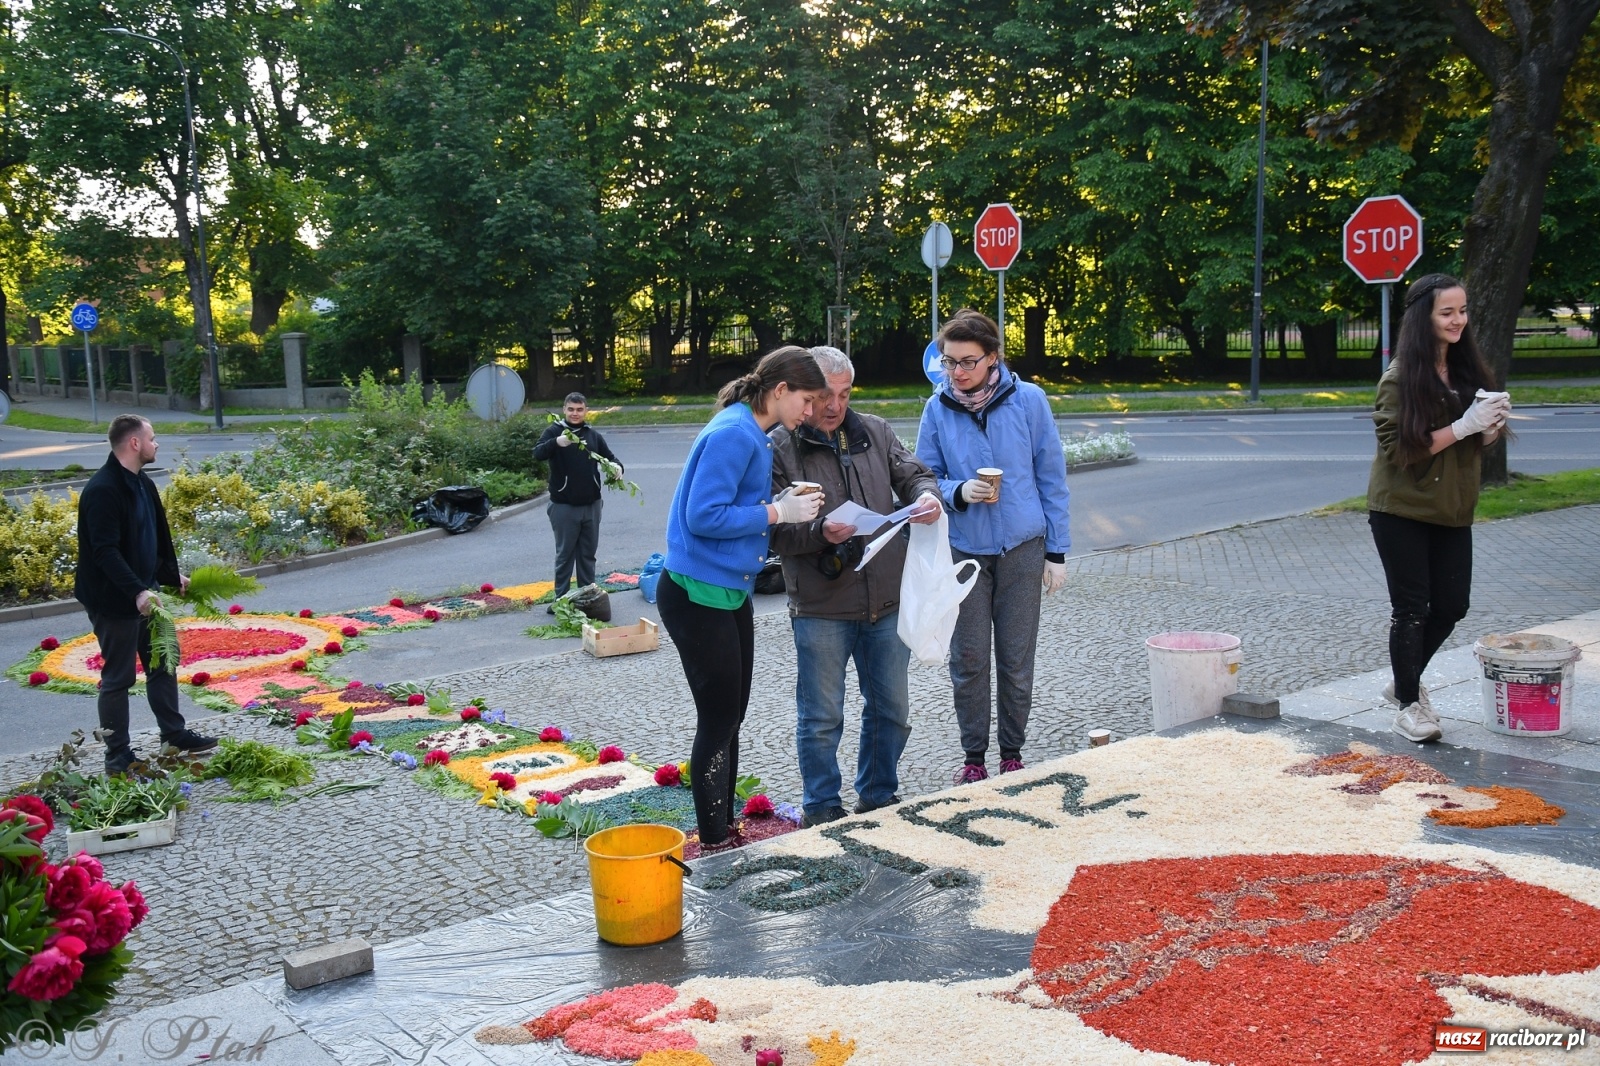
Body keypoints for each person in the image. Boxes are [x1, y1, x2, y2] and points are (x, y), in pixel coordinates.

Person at [658, 346, 828, 850]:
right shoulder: (735, 433)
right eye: (806, 400)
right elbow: (703, 516)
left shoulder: (752, 431)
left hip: (729, 591)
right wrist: (777, 513)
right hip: (697, 594)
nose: (810, 412)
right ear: (780, 390)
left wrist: (778, 505)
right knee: (718, 721)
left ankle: (724, 828)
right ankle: (714, 841)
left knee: (730, 717)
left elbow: (732, 505)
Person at [769, 346, 943, 828]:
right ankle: (822, 806)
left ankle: (879, 794)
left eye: (845, 394)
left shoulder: (875, 430)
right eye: (825, 395)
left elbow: (915, 475)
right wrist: (819, 532)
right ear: (806, 392)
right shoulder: (781, 446)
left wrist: (927, 497)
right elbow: (772, 532)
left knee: (893, 711)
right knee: (822, 717)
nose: (835, 406)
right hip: (821, 604)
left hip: (886, 598)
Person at [916, 309, 1070, 783]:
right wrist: (959, 491)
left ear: (993, 358)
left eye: (968, 361)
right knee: (968, 658)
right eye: (949, 362)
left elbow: (1051, 477)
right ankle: (974, 758)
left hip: (1023, 547)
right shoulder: (937, 409)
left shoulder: (1029, 400)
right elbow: (922, 479)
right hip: (965, 550)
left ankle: (1012, 752)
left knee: (1016, 657)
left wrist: (1056, 552)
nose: (957, 372)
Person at [1368, 273, 1510, 743]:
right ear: (1422, 318)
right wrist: (1466, 424)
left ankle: (1403, 681)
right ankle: (1409, 706)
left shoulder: (1466, 369)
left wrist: (1489, 426)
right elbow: (1400, 451)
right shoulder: (1400, 377)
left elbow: (1474, 445)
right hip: (1401, 509)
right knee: (1411, 609)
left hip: (1452, 508)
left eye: (1462, 310)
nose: (1457, 320)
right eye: (1446, 312)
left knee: (1451, 607)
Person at [75, 415, 217, 773]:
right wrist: (137, 591)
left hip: (145, 593)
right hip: (112, 600)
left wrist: (168, 576)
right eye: (152, 438)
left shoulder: (142, 482)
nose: (157, 444)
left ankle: (174, 736)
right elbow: (105, 552)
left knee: (163, 663)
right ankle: (117, 756)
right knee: (118, 678)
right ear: (134, 443)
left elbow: (150, 537)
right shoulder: (103, 490)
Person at [532, 392, 623, 604]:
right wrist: (556, 442)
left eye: (579, 409)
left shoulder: (592, 435)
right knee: (565, 555)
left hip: (592, 505)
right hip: (564, 506)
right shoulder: (554, 431)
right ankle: (561, 600)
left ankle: (587, 598)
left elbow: (610, 458)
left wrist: (618, 467)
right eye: (571, 409)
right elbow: (537, 453)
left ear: (586, 411)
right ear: (564, 409)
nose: (575, 413)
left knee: (587, 555)